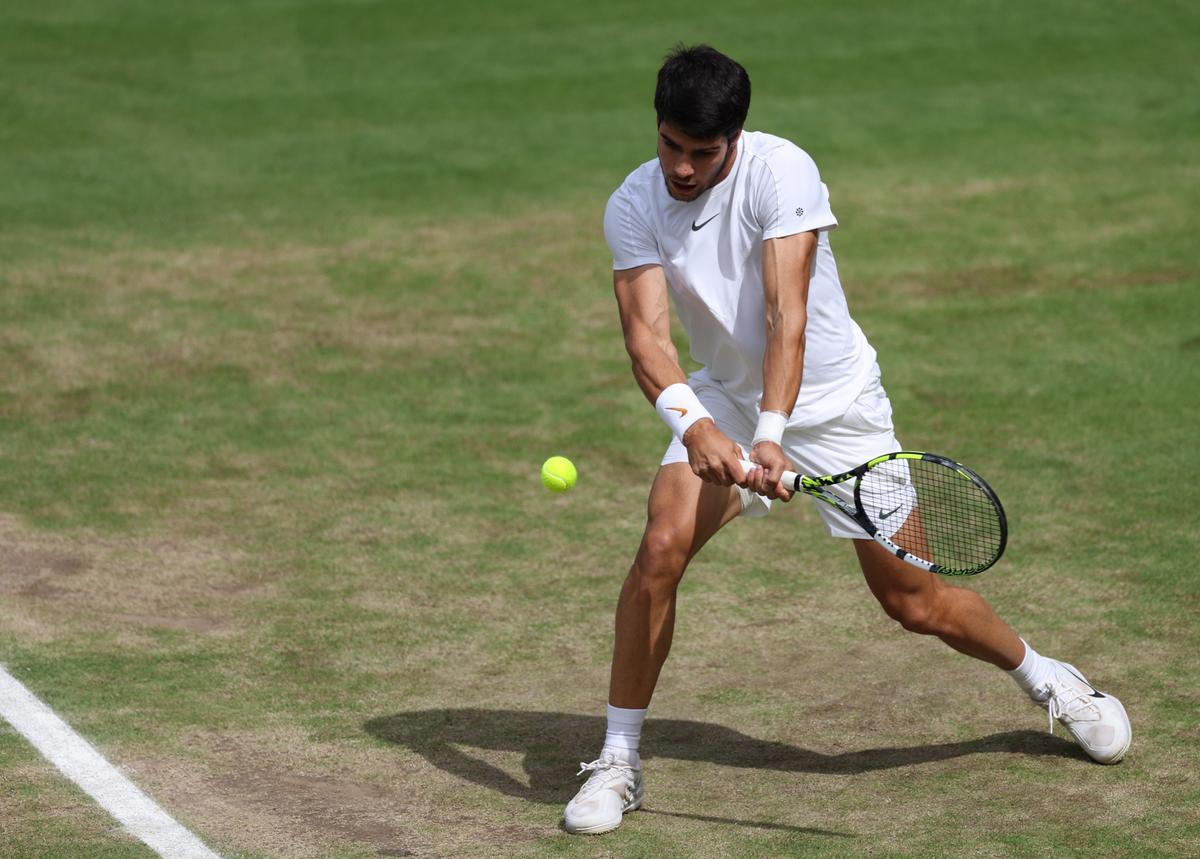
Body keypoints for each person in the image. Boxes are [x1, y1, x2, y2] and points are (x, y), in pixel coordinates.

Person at [562, 44, 1132, 836]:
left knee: (913, 600)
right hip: (724, 393)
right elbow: (646, 339)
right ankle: (618, 759)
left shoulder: (782, 172)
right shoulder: (632, 203)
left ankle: (1049, 681)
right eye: (670, 146)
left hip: (838, 406)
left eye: (702, 152)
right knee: (660, 547)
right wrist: (696, 425)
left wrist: (769, 434)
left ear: (736, 137)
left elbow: (786, 313)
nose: (682, 168)